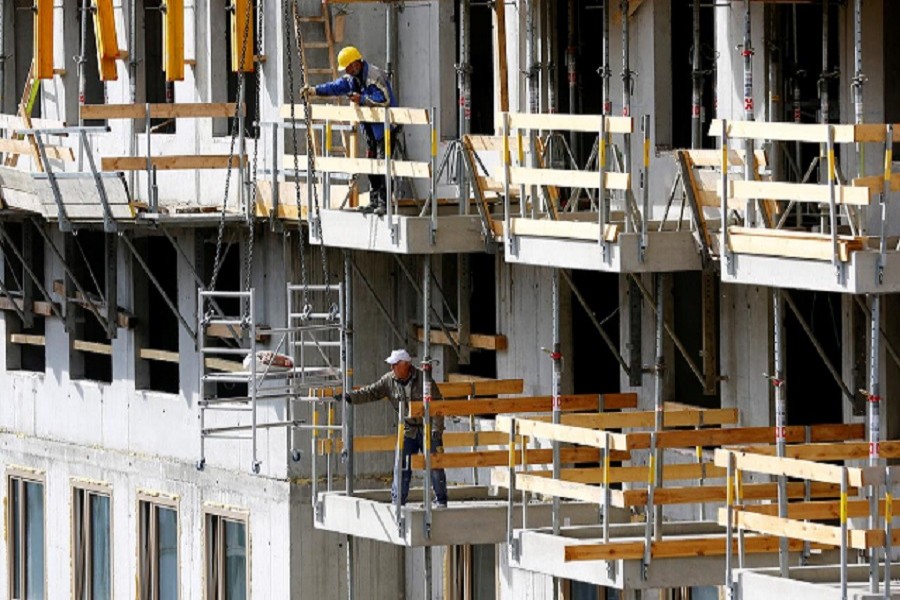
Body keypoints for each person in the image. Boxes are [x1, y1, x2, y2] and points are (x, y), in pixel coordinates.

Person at [343, 349, 448, 507]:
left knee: (435, 464)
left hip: (428, 427)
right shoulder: (389, 380)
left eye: (394, 365)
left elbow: (438, 404)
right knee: (401, 465)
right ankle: (398, 500)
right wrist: (350, 397)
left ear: (405, 365)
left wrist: (436, 430)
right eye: (391, 365)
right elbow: (371, 392)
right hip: (407, 428)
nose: (392, 368)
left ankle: (441, 500)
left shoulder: (423, 379)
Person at [303, 46, 397, 216]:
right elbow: (335, 87)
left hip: (385, 128)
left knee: (383, 163)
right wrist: (314, 90)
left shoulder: (373, 77)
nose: (346, 71)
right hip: (370, 127)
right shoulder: (353, 78)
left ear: (355, 64)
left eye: (347, 67)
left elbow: (385, 99)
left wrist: (361, 99)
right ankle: (374, 200)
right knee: (370, 163)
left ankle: (384, 202)